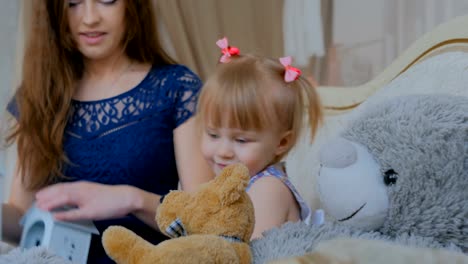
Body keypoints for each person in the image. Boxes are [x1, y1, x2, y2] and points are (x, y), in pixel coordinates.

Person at [4, 0, 213, 262]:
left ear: (133, 6)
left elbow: (208, 225)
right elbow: (21, 219)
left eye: (107, 0)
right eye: (73, 3)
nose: (90, 18)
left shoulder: (176, 88)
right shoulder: (39, 95)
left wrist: (131, 200)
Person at [196, 38, 323, 239]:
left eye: (241, 140)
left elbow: (246, 255)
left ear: (281, 143)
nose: (223, 151)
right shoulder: (229, 186)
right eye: (213, 134)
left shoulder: (268, 188)